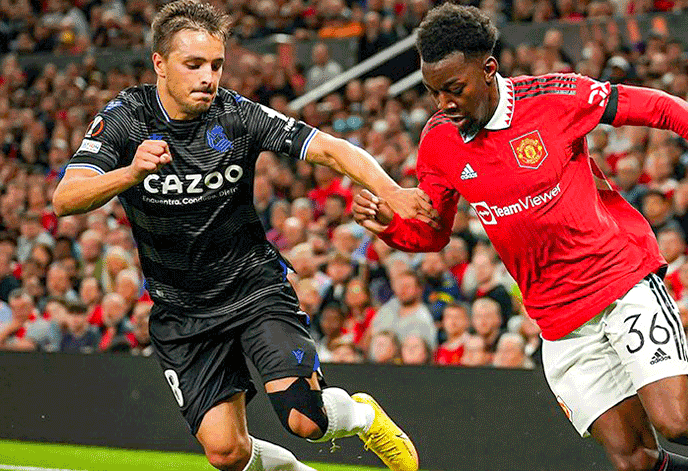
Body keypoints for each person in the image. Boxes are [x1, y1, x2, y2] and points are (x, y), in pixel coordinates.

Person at [352, 4, 688, 471]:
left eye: (454, 88)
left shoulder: (555, 97)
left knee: (678, 422)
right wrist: (391, 226)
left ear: (489, 69)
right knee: (635, 462)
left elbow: (662, 108)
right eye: (433, 92)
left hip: (620, 281)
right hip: (559, 319)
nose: (444, 103)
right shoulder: (439, 141)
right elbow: (434, 234)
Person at [51, 2, 427, 470]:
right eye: (194, 65)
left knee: (305, 420)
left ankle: (363, 416)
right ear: (160, 64)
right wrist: (130, 173)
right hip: (182, 310)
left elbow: (330, 149)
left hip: (253, 289)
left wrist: (392, 191)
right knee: (226, 452)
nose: (208, 77)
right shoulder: (126, 118)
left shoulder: (236, 115)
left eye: (216, 65)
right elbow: (65, 198)